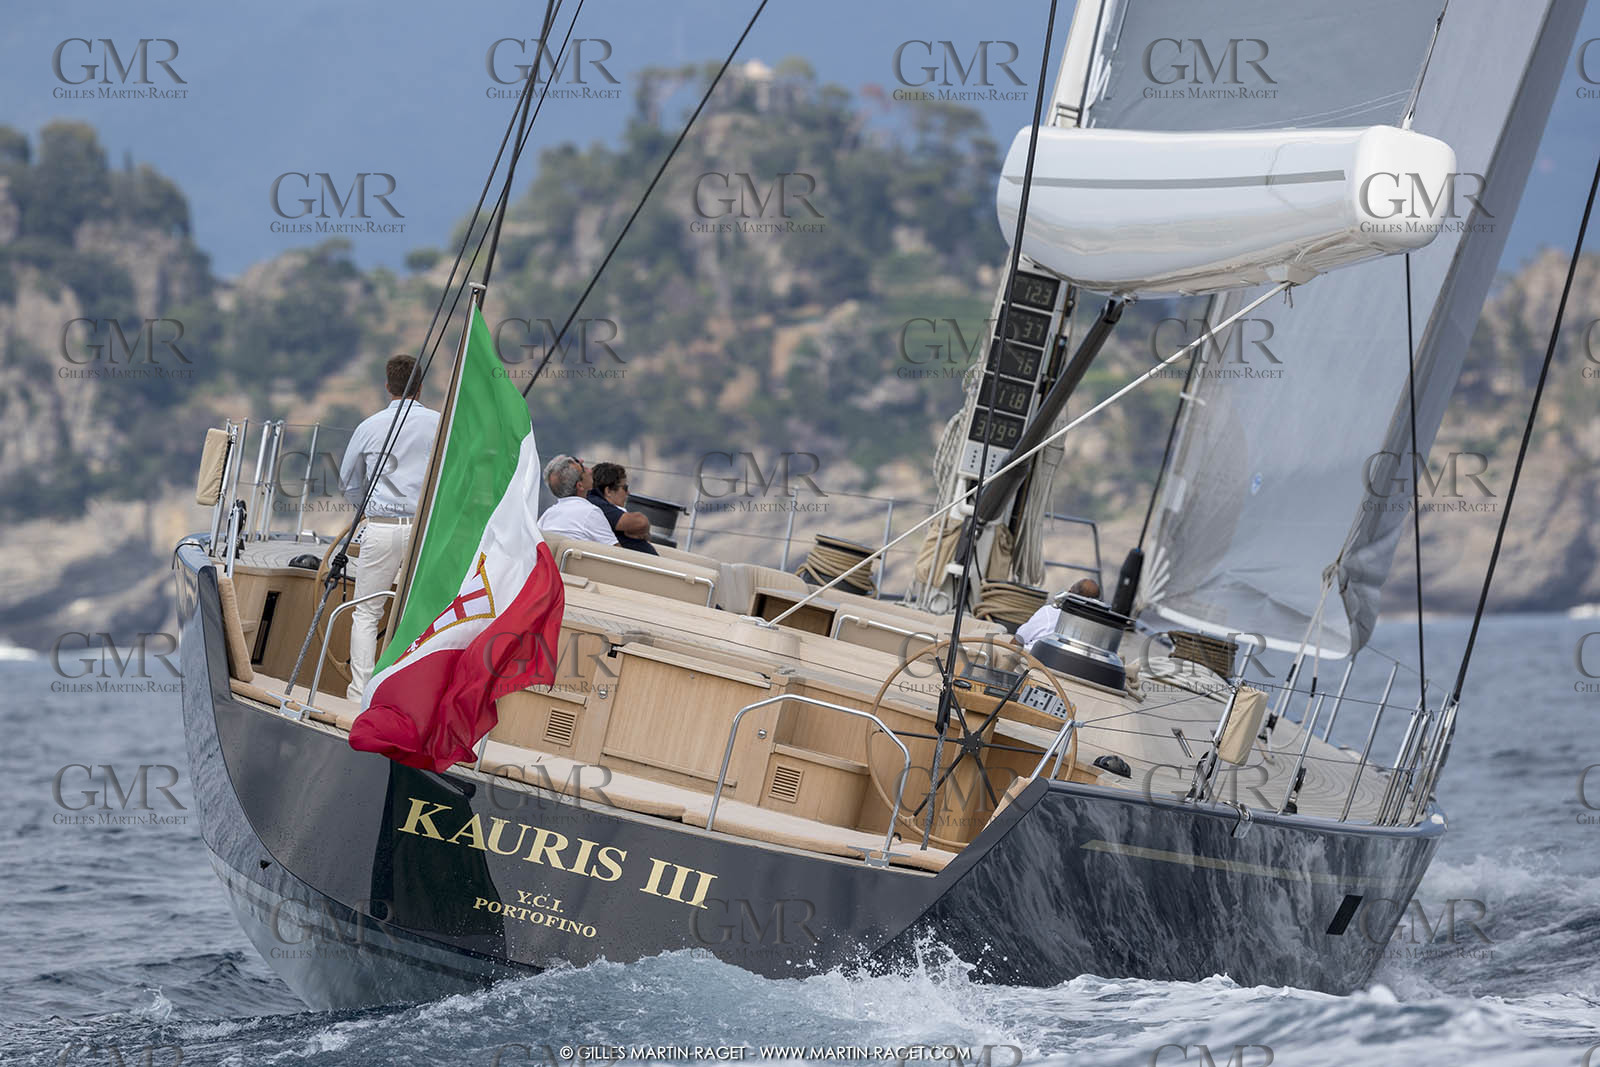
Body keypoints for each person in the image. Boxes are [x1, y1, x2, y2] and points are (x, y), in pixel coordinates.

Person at [338, 354, 441, 702]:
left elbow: (348, 482)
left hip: (381, 528)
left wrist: (366, 510)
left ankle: (359, 696)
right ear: (421, 386)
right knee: (422, 613)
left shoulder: (369, 427)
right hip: (424, 532)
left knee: (367, 612)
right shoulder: (440, 424)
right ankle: (410, 696)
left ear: (388, 386)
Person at [537, 454, 618, 545]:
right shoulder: (590, 513)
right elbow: (617, 553)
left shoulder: (546, 517)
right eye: (583, 468)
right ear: (580, 486)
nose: (590, 470)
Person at [586, 462, 658, 555]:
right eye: (625, 488)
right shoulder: (597, 505)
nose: (628, 493)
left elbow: (642, 530)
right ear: (608, 491)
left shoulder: (604, 505)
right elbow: (641, 522)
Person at [1016, 577, 1102, 650]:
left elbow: (1020, 638)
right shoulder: (1097, 629)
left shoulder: (1049, 612)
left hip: (1032, 662)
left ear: (1070, 592)